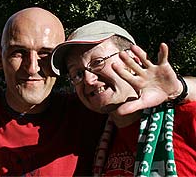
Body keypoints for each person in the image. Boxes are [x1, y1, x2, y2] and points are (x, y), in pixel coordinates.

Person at [0, 7, 106, 176]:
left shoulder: (89, 115)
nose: (32, 68)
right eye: (18, 53)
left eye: (45, 54)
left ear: (60, 61)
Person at [51, 20, 196, 176]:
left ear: (134, 60)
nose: (88, 79)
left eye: (98, 62)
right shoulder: (95, 135)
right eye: (77, 74)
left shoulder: (184, 116)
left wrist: (179, 88)